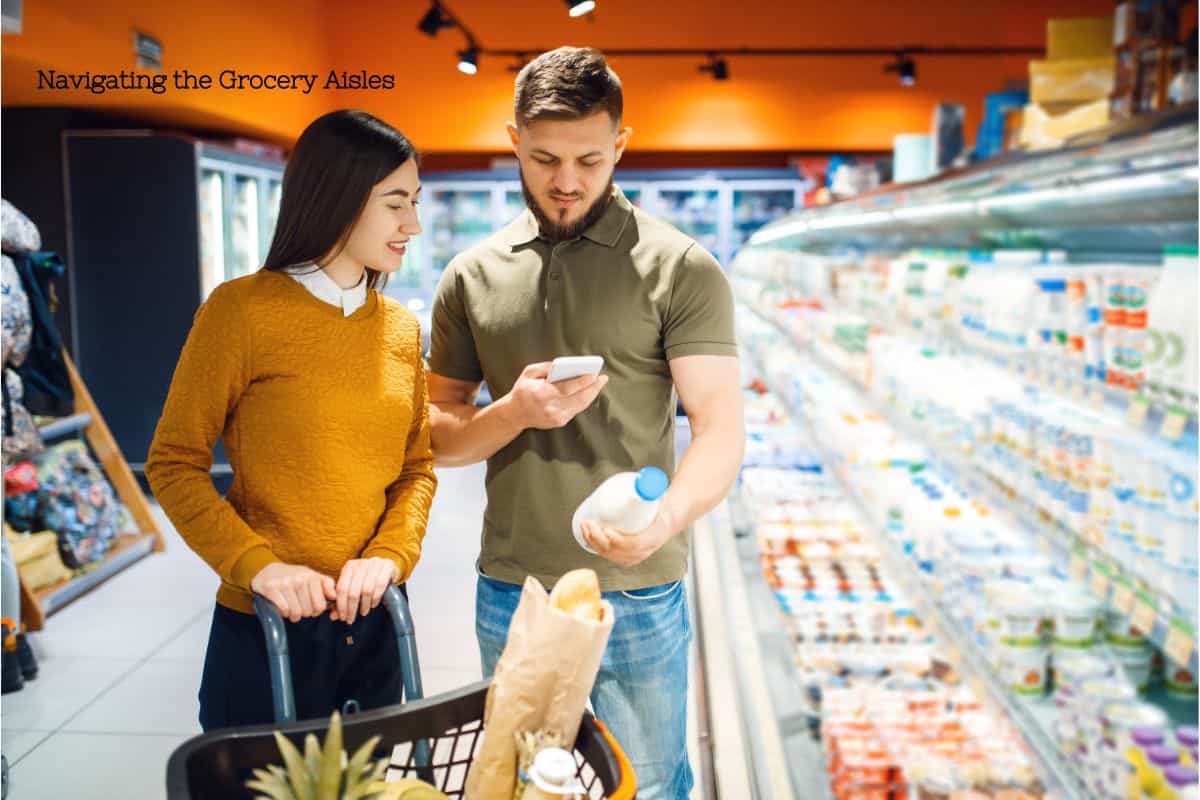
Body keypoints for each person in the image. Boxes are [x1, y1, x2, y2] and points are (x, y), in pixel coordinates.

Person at [427, 47, 745, 799]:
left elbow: (722, 428)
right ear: (512, 141)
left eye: (589, 160)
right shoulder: (471, 275)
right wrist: (513, 413)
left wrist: (663, 519)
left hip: (637, 583)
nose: (566, 181)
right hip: (513, 586)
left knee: (651, 784)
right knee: (513, 783)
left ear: (621, 147)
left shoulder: (682, 268)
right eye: (543, 159)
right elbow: (439, 433)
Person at [145, 110, 436, 731]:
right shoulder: (241, 312)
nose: (412, 224)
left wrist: (389, 555)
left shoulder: (402, 330)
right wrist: (260, 565)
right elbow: (174, 464)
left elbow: (416, 469)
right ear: (336, 198)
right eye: (395, 203)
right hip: (266, 623)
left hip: (378, 619)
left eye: (414, 201)